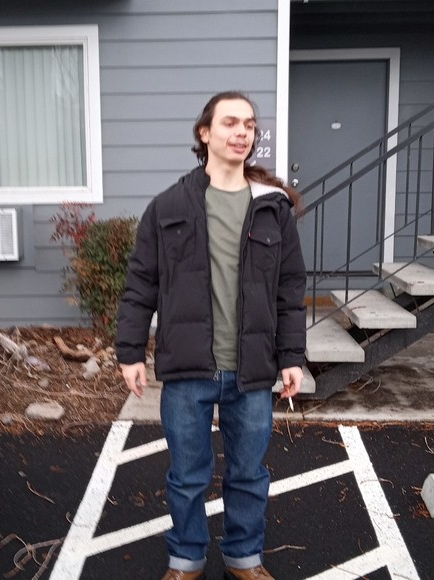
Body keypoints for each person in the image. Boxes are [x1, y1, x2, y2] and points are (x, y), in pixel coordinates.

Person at [116, 91, 307, 580]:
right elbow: (141, 284)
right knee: (187, 477)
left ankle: (244, 558)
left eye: (249, 124)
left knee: (249, 474)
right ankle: (186, 560)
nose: (242, 132)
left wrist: (292, 356)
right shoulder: (168, 206)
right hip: (188, 369)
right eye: (230, 122)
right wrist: (130, 351)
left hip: (252, 370)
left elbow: (289, 289)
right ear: (205, 133)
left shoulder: (272, 208)